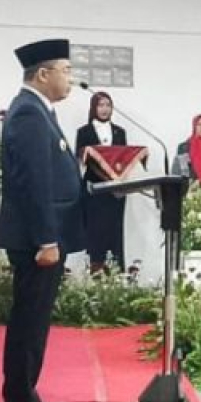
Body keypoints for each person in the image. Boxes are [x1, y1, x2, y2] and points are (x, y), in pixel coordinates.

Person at [0, 39, 84, 402]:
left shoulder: (38, 109)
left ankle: (27, 395)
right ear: (43, 74)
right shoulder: (29, 113)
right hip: (37, 238)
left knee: (35, 319)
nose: (71, 78)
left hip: (44, 233)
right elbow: (34, 182)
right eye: (66, 71)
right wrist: (46, 239)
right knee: (29, 320)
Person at [75, 91, 129, 272]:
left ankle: (116, 273)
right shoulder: (84, 132)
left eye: (108, 105)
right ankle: (96, 271)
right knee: (95, 232)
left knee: (115, 232)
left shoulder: (120, 132)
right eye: (101, 105)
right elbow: (79, 159)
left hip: (115, 191)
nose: (105, 109)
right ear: (94, 108)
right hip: (94, 189)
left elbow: (125, 159)